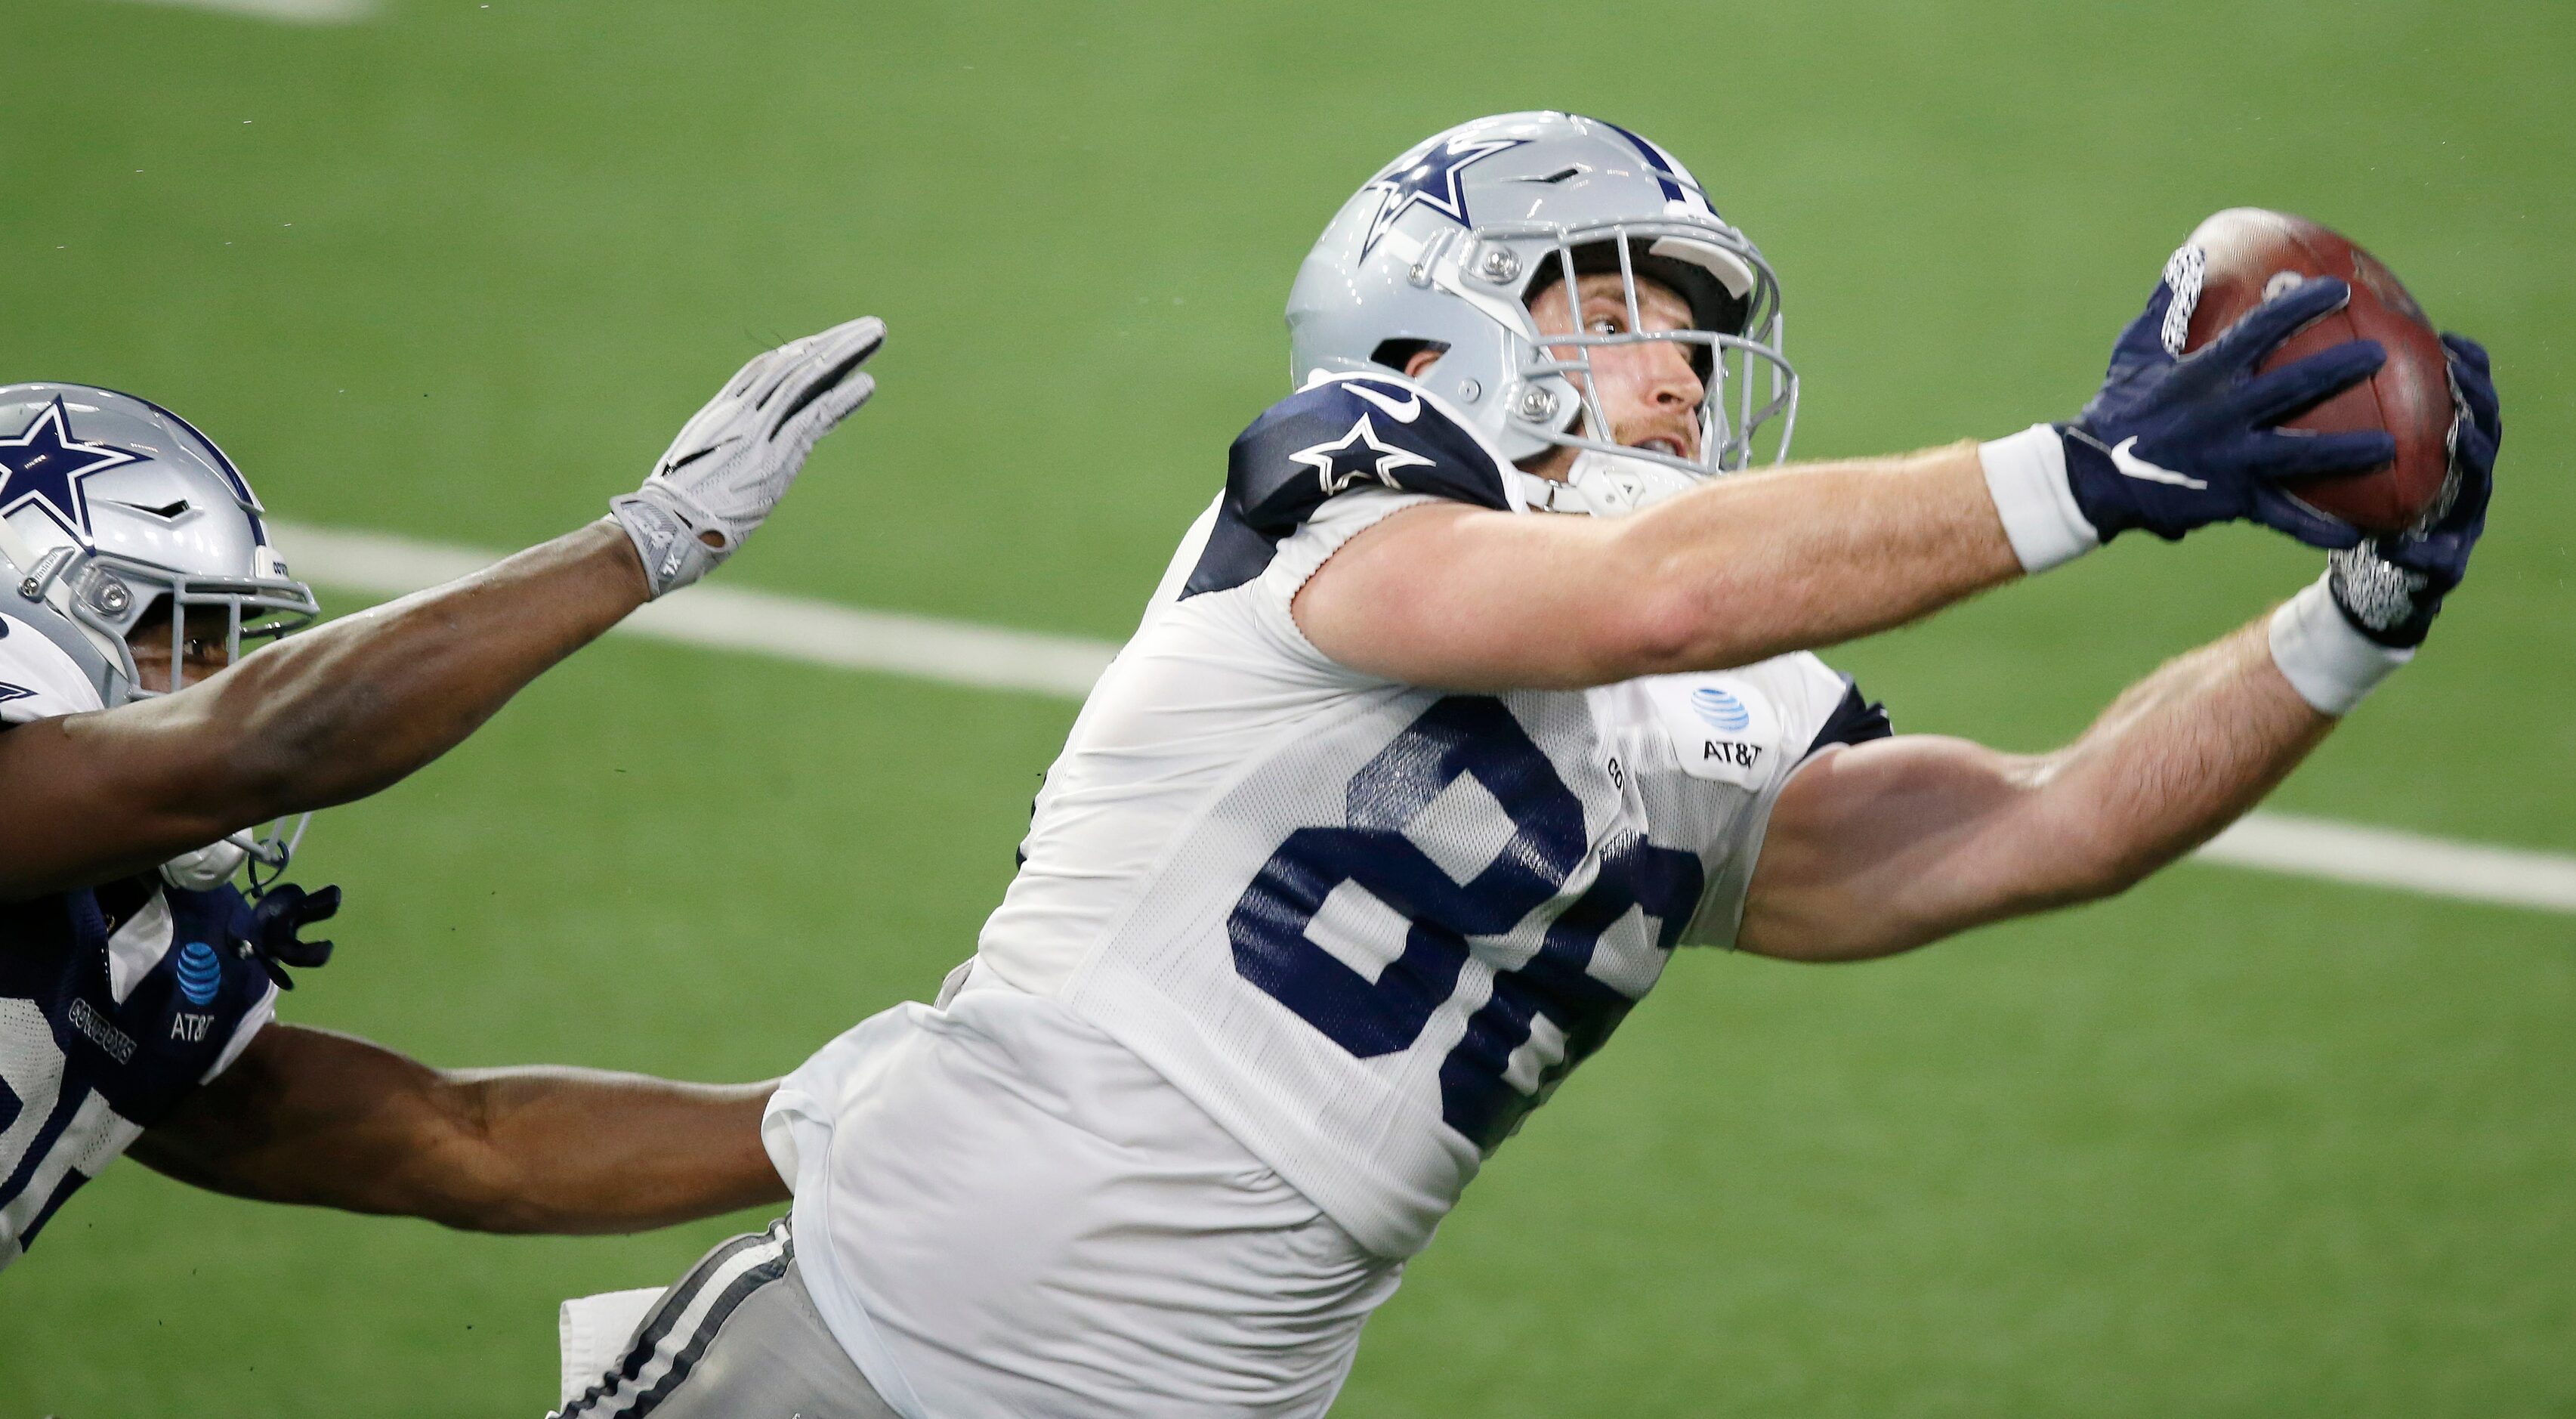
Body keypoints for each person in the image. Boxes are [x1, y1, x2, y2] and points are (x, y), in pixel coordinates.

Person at [572, 113, 2498, 1418]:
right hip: (890, 1354)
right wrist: (2072, 481)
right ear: (1432, 319)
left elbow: (2041, 827)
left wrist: (2356, 615)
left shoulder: (1708, 675)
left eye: (1687, 332)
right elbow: (1638, 609)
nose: (1673, 371)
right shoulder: (1352, 488)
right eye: (1613, 307)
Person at [0, 315, 883, 1271]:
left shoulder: (141, 947)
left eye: (226, 647)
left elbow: (466, 1145)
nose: (214, 678)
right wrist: (642, 545)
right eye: (185, 634)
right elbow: (261, 742)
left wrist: (849, 1126)